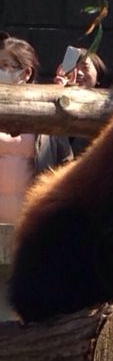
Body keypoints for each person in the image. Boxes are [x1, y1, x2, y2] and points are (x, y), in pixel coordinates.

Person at [0, 32, 73, 223]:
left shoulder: (46, 110)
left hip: (30, 222)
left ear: (26, 73)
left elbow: (65, 163)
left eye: (6, 66)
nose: (1, 71)